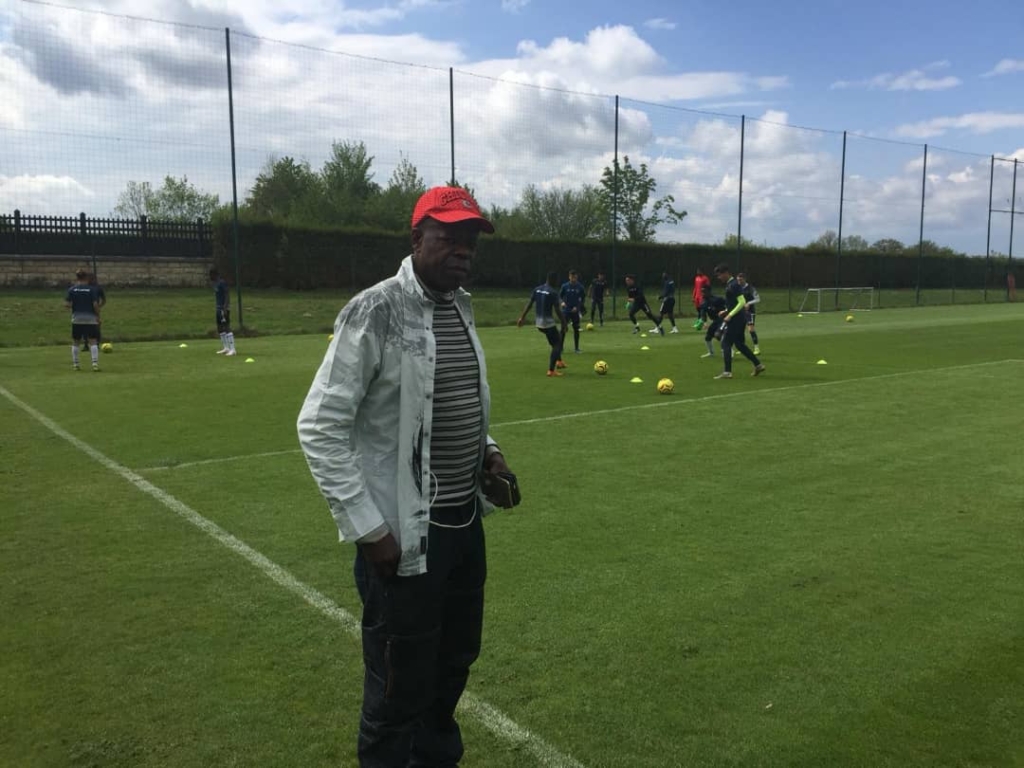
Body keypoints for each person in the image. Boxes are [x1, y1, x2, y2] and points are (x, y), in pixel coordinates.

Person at [298, 187, 518, 768]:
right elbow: (319, 425)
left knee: (452, 666)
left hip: (463, 527)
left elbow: (448, 405)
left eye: (470, 241)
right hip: (403, 538)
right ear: (417, 238)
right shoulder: (376, 309)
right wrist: (368, 529)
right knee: (398, 688)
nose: (462, 250)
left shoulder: (459, 307)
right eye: (449, 237)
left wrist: (489, 453)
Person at [712, 263, 765, 379]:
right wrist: (726, 311)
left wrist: (730, 315)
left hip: (736, 319)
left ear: (726, 273)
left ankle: (727, 372)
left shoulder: (733, 285)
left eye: (720, 275)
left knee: (725, 343)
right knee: (740, 345)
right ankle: (758, 365)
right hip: (740, 318)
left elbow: (742, 302)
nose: (719, 278)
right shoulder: (731, 284)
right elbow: (734, 303)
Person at [518, 271, 566, 376]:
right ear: (554, 280)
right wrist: (564, 323)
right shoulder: (553, 292)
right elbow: (557, 310)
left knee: (554, 342)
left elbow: (529, 304)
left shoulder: (537, 289)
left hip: (539, 324)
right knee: (558, 344)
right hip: (548, 323)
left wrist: (522, 317)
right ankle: (551, 370)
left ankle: (559, 361)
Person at [65, 269, 101, 371]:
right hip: (90, 318)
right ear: (86, 277)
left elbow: (67, 305)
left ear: (77, 277)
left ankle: (76, 364)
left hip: (77, 318)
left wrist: (76, 305)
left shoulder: (72, 289)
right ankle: (95, 364)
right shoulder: (92, 290)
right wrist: (98, 316)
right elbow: (95, 305)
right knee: (93, 340)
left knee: (76, 341)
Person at [209, 268, 236, 356]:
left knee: (226, 327)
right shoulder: (215, 283)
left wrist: (225, 307)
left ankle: (233, 349)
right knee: (220, 328)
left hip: (223, 308)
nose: (210, 277)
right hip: (218, 308)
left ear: (215, 275)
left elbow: (227, 294)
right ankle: (226, 348)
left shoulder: (222, 283)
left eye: (211, 275)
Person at [696, 284, 727, 358]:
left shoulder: (718, 299)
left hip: (723, 319)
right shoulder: (704, 302)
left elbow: (729, 304)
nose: (703, 293)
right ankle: (711, 353)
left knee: (718, 335)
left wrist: (726, 311)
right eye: (702, 292)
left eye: (704, 291)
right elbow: (703, 313)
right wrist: (704, 322)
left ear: (709, 291)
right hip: (715, 321)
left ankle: (728, 351)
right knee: (707, 337)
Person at [559, 269, 586, 353]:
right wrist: (562, 302)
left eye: (574, 277)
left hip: (575, 311)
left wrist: (577, 307)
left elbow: (582, 299)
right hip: (566, 311)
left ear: (577, 277)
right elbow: (559, 296)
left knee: (576, 329)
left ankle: (576, 348)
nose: (573, 278)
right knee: (563, 329)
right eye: (571, 276)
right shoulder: (564, 286)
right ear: (569, 277)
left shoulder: (580, 287)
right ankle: (560, 348)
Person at [736, 272, 761, 355]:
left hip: (749, 312)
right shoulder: (737, 288)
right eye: (738, 280)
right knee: (740, 330)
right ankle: (742, 348)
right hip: (740, 312)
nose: (739, 281)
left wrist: (749, 303)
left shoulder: (750, 288)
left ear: (744, 279)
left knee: (750, 329)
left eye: (740, 280)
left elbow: (758, 299)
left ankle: (756, 348)